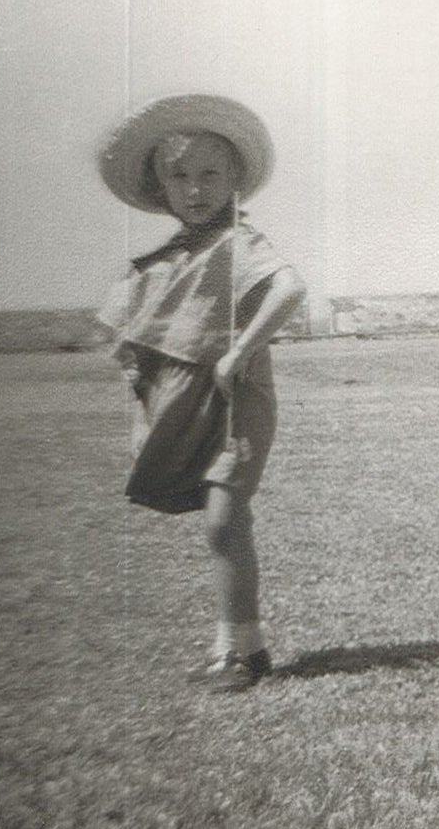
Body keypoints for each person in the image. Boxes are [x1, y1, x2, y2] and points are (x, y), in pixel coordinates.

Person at [95, 95, 307, 693]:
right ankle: (238, 648)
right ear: (161, 187)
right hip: (188, 405)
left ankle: (240, 649)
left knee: (222, 517)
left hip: (237, 399)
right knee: (220, 523)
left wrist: (242, 350)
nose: (195, 189)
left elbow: (290, 289)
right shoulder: (166, 259)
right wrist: (135, 389)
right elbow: (139, 336)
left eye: (211, 174)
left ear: (236, 180)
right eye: (180, 177)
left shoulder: (238, 242)